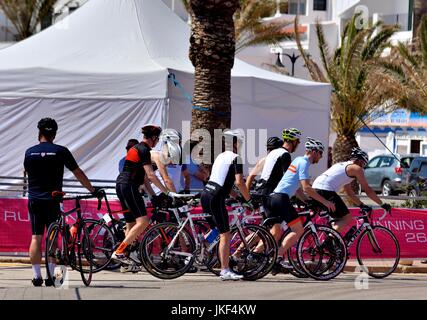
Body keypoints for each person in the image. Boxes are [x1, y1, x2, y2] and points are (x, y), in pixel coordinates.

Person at [24, 118, 98, 287]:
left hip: (35, 199)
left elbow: (27, 172)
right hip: (53, 199)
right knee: (52, 237)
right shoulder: (60, 151)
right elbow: (78, 172)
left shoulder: (29, 152)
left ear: (39, 132)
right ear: (54, 134)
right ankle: (53, 277)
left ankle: (36, 277)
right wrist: (92, 190)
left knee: (36, 237)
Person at [112, 124, 176, 265]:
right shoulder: (144, 150)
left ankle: (125, 256)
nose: (158, 142)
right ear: (153, 138)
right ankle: (119, 251)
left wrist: (154, 195)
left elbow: (145, 179)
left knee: (131, 223)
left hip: (121, 185)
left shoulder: (138, 148)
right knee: (143, 221)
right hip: (129, 186)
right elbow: (151, 176)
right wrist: (167, 193)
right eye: (157, 139)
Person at [269, 138, 336, 272]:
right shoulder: (304, 163)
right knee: (298, 230)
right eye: (320, 153)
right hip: (282, 199)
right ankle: (276, 257)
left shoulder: (297, 160)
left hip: (275, 197)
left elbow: (298, 189)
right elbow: (306, 187)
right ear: (314, 152)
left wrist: (306, 201)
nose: (322, 156)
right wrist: (325, 201)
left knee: (275, 231)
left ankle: (261, 256)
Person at [200, 129, 254, 281]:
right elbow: (239, 182)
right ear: (236, 143)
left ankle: (203, 242)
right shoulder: (237, 158)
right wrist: (248, 200)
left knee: (217, 230)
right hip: (215, 197)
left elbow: (225, 183)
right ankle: (224, 270)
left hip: (206, 193)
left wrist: (238, 197)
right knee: (225, 234)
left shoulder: (220, 156)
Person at [312, 147, 391, 234]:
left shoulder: (344, 166)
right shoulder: (356, 168)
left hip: (316, 189)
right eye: (363, 164)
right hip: (325, 190)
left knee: (338, 219)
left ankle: (332, 241)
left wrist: (361, 205)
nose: (363, 167)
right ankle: (328, 242)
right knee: (347, 218)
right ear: (360, 161)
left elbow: (349, 193)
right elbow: (368, 190)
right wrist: (382, 204)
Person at [255, 128, 302, 243]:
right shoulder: (285, 154)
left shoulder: (274, 152)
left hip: (262, 192)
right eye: (298, 141)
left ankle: (238, 254)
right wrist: (300, 196)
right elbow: (289, 178)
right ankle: (265, 256)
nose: (298, 144)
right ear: (293, 141)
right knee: (277, 231)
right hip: (270, 194)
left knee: (269, 231)